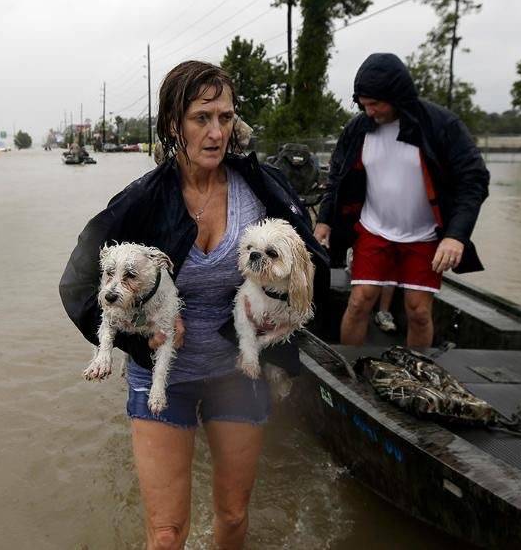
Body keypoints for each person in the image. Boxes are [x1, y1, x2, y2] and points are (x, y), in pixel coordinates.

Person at [60, 60, 328, 549]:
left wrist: (279, 314)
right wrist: (143, 333)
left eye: (225, 118)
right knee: (165, 535)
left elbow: (309, 270)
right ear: (172, 124)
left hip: (236, 372)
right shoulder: (141, 201)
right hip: (164, 375)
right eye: (202, 117)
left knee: (232, 516)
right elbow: (78, 286)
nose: (216, 131)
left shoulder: (261, 189)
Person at [313, 53, 489, 349]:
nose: (368, 112)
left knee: (418, 311)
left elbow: (474, 180)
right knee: (359, 301)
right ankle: (348, 368)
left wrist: (456, 236)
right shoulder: (358, 130)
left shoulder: (441, 125)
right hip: (373, 228)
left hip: (423, 234)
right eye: (363, 105)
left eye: (375, 104)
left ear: (396, 96)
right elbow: (338, 179)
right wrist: (325, 219)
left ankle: (416, 373)